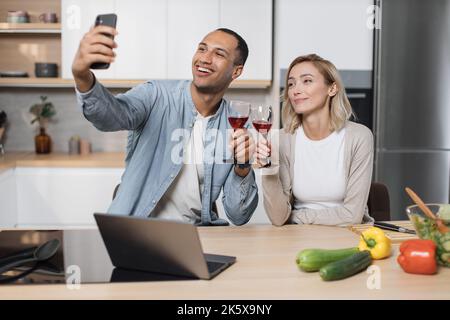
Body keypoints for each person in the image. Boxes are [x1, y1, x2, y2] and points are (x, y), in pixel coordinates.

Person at [72, 25, 258, 226]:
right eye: (202, 49)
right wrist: (82, 76)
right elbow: (111, 116)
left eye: (218, 53)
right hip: (135, 230)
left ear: (236, 71)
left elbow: (239, 215)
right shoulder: (155, 95)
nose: (205, 58)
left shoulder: (235, 124)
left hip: (195, 235)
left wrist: (243, 166)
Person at [255, 54, 374, 226]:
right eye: (291, 84)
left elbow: (352, 215)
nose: (295, 90)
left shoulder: (359, 137)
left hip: (349, 235)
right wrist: (268, 171)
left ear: (332, 89)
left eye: (307, 81)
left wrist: (295, 217)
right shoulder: (282, 139)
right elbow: (278, 218)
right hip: (298, 238)